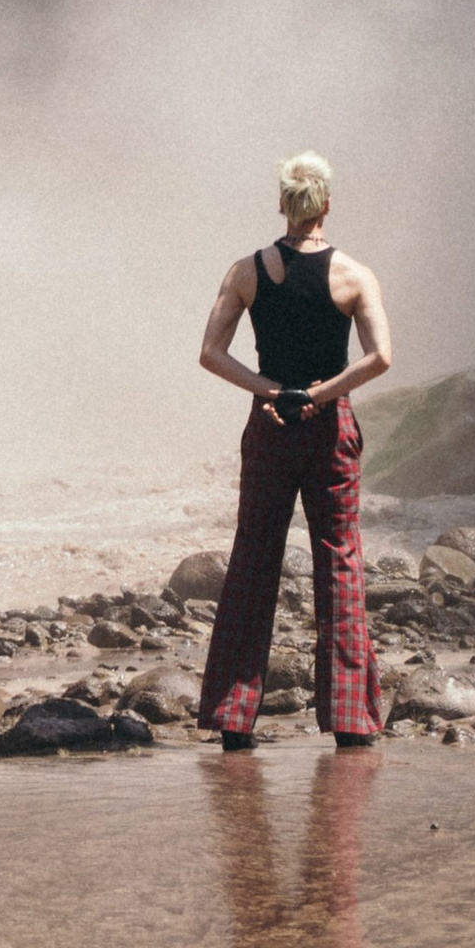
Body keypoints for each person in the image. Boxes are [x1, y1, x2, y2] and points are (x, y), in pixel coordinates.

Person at [196, 150, 392, 750]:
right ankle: (351, 721)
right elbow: (381, 356)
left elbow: (211, 353)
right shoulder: (354, 275)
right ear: (326, 204)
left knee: (254, 560)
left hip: (269, 425)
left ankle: (234, 718)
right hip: (329, 429)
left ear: (282, 203)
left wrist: (274, 392)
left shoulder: (248, 271)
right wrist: (321, 394)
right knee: (340, 562)